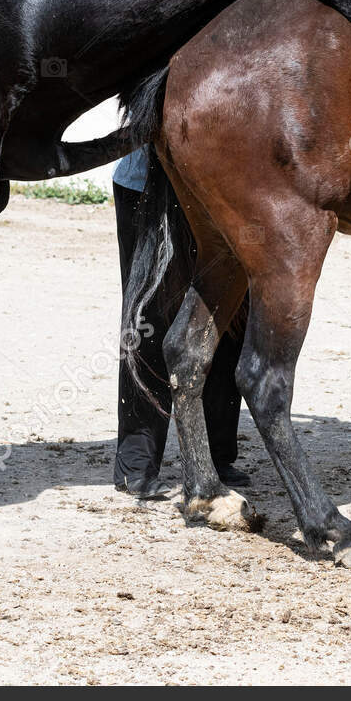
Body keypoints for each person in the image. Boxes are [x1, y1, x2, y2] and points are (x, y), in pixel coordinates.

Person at [111, 147, 248, 499]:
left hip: (228, 190)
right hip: (151, 184)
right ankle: (136, 463)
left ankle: (217, 455)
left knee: (226, 316)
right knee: (151, 319)